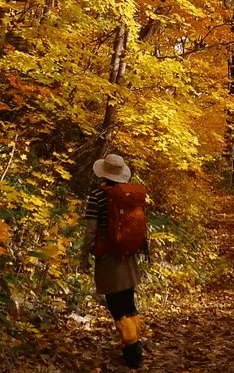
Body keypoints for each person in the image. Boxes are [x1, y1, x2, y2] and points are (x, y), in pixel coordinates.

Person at [80, 153, 150, 369]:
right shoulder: (130, 195)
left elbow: (91, 230)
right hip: (128, 255)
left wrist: (83, 254)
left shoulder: (97, 196)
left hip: (108, 255)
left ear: (104, 173)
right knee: (128, 302)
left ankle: (132, 353)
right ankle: (135, 345)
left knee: (116, 306)